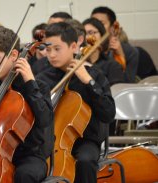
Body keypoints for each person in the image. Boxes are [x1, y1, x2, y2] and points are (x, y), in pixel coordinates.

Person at [37, 22, 115, 183]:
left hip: (85, 140)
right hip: (50, 141)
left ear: (73, 46)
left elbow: (108, 113)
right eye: (48, 49)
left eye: (57, 49)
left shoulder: (93, 75)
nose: (51, 54)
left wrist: (88, 81)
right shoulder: (42, 79)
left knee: (85, 162)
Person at [0, 26, 53, 183]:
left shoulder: (38, 86)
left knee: (24, 176)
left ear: (14, 55)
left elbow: (45, 119)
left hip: (28, 155)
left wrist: (30, 83)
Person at [91, 6, 139, 83]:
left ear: (113, 27)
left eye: (101, 23)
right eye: (93, 23)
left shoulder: (130, 52)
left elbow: (128, 84)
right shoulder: (85, 50)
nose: (96, 28)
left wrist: (120, 56)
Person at [82, 18, 125, 86]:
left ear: (102, 36)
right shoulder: (79, 65)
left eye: (91, 32)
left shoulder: (112, 66)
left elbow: (114, 93)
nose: (87, 37)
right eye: (84, 34)